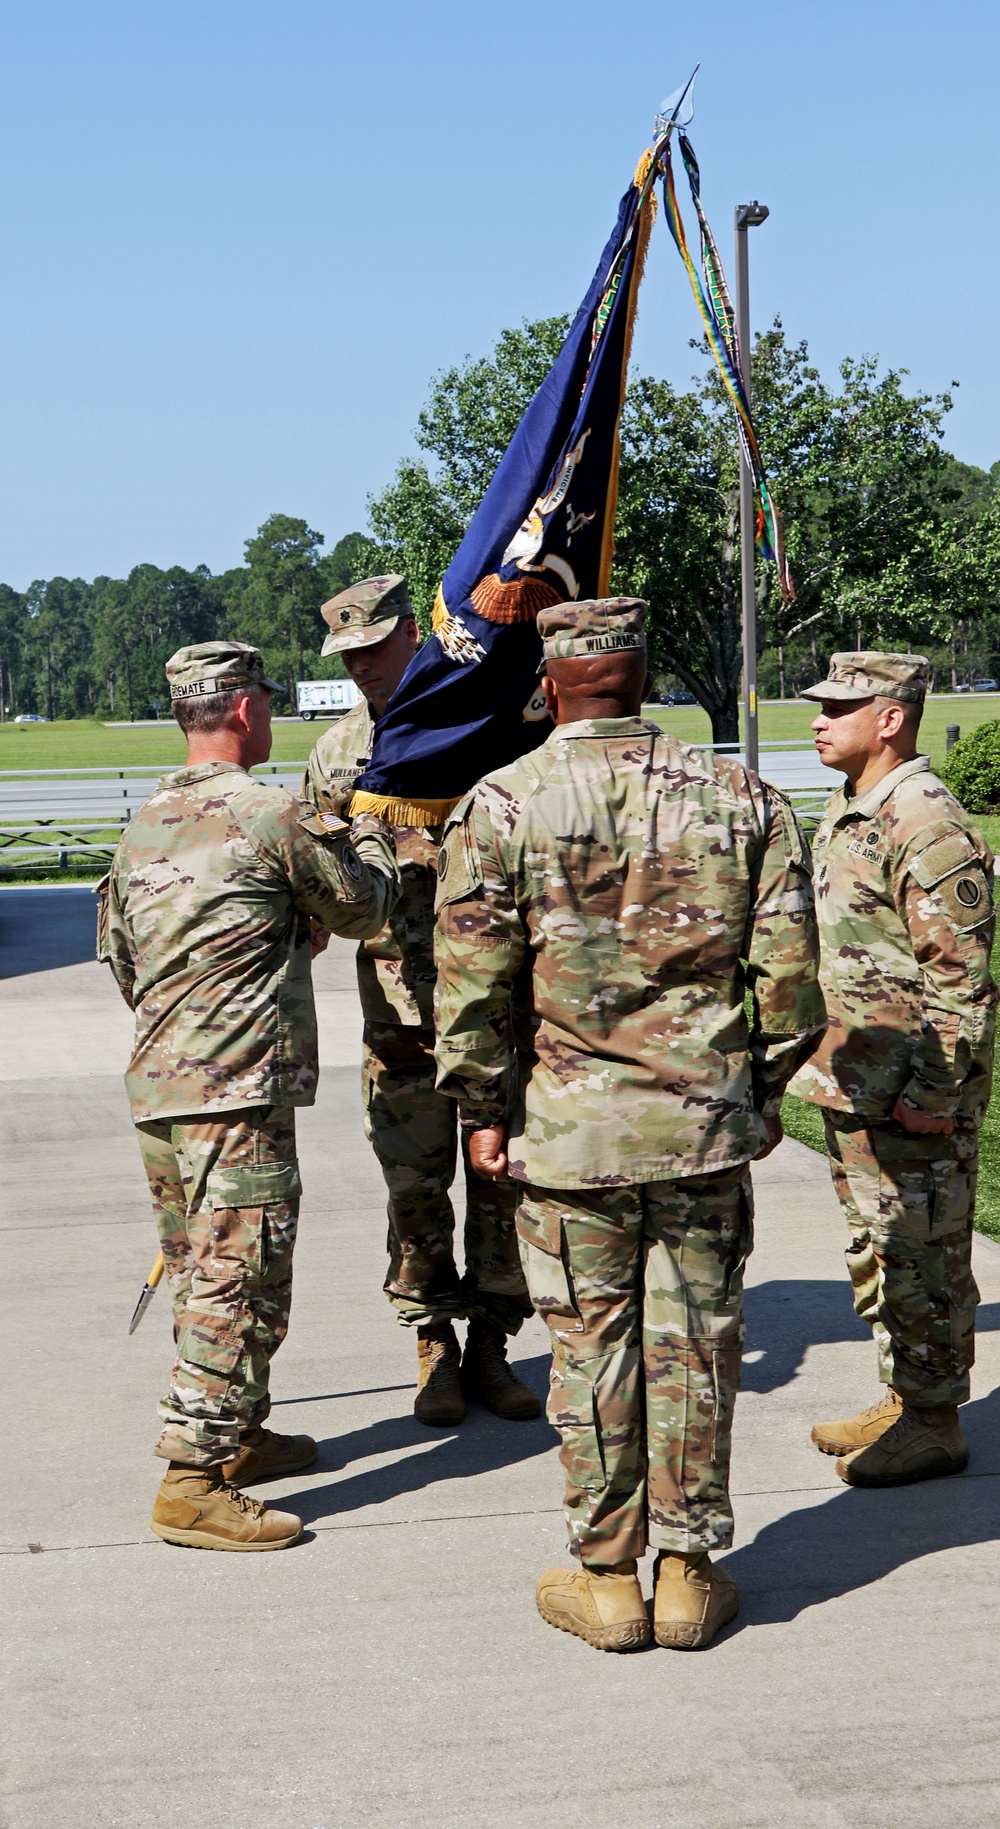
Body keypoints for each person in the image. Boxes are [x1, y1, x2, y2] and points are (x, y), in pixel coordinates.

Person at [433, 599, 825, 1652]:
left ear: (553, 683)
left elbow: (471, 987)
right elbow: (789, 985)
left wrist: (481, 1106)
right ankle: (688, 1571)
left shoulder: (501, 804)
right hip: (699, 1130)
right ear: (643, 677)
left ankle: (606, 1579)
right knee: (694, 1343)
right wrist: (754, 1089)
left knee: (590, 1347)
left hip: (566, 1137)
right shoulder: (743, 796)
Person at [100, 640, 398, 1551]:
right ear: (240, 711)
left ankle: (237, 1437)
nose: (271, 715)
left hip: (163, 1085)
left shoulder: (146, 820)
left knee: (205, 1269)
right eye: (264, 702)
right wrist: (374, 828)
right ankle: (191, 1479)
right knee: (240, 1276)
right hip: (234, 1087)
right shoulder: (271, 811)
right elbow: (365, 908)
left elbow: (123, 956)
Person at [302, 575, 538, 1427]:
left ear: (416, 635)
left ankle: (494, 1347)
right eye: (349, 657)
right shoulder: (336, 756)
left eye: (374, 648)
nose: (364, 667)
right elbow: (316, 884)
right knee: (415, 1187)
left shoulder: (486, 725)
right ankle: (432, 1342)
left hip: (500, 1008)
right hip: (398, 1014)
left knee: (503, 1183)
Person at [791, 652, 997, 1487]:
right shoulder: (855, 805)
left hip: (915, 1088)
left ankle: (937, 1420)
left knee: (924, 1250)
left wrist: (933, 1095)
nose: (818, 718)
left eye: (840, 705)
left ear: (890, 718)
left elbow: (963, 976)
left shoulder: (925, 817)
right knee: (879, 1245)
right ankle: (907, 1392)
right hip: (860, 1078)